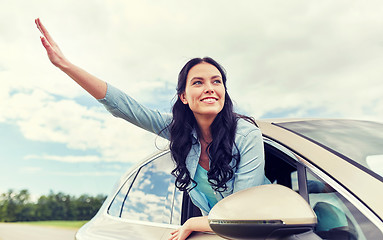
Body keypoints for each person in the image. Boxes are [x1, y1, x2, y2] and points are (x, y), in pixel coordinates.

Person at [35, 18, 270, 240]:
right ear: (184, 97)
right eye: (198, 82)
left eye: (216, 81)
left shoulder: (247, 135)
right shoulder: (180, 132)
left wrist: (192, 223)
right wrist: (64, 65)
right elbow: (125, 107)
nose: (210, 88)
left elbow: (241, 216)